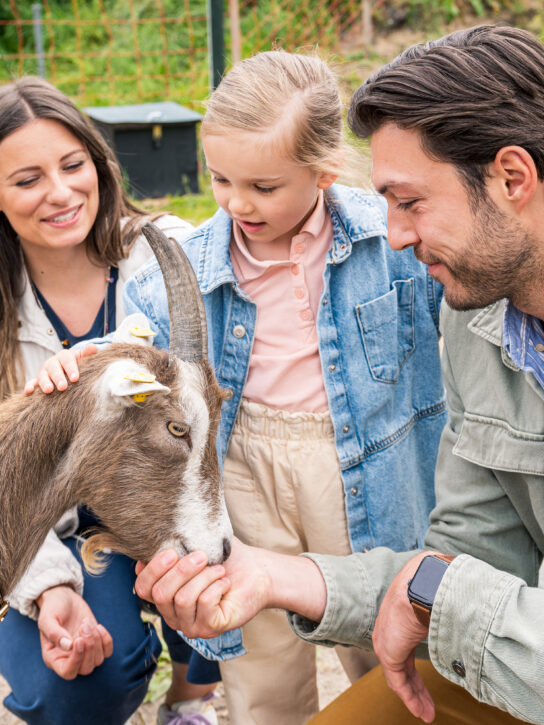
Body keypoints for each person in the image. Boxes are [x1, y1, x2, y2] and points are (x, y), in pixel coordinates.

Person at [133, 23, 544, 725]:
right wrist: (273, 575)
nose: (394, 236)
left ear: (511, 177)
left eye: (410, 201)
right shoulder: (477, 322)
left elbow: (447, 581)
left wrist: (434, 590)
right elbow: (471, 553)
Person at [39, 50, 448, 724]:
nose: (235, 202)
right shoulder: (195, 264)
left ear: (321, 172)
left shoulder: (389, 242)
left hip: (364, 464)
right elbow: (140, 342)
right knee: (257, 645)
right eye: (220, 178)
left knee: (384, 630)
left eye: (261, 186)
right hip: (242, 463)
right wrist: (85, 360)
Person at [0, 76, 221, 725]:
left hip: (171, 499)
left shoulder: (169, 251)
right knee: (69, 685)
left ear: (99, 163)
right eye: (27, 178)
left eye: (73, 165)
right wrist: (49, 588)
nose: (62, 192)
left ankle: (188, 696)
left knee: (209, 575)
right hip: (52, 524)